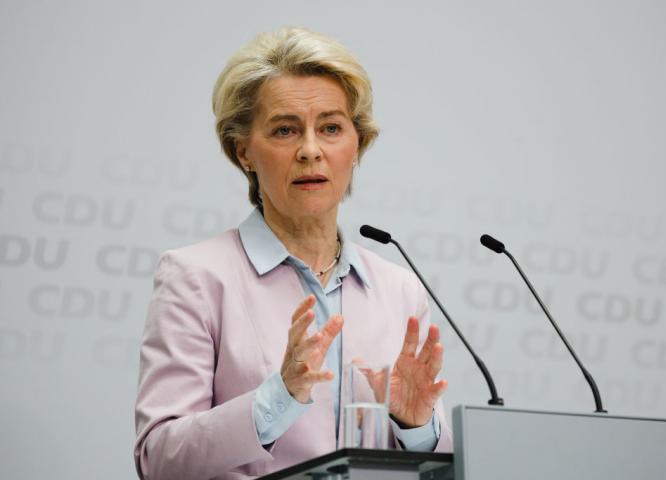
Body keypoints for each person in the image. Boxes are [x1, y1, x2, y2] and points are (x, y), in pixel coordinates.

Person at [133, 27, 452, 480]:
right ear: (243, 151)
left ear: (357, 145)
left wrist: (416, 427)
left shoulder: (399, 288)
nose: (310, 150)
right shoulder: (196, 276)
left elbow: (437, 464)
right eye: (285, 130)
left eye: (331, 128)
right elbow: (159, 458)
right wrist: (278, 398)